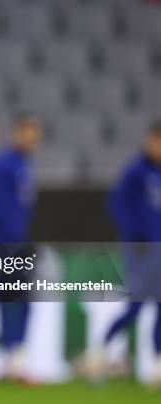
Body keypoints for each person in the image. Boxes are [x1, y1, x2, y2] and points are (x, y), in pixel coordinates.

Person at [89, 120, 161, 385]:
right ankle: (100, 350)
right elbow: (116, 206)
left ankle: (157, 364)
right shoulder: (136, 172)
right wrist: (136, 234)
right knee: (136, 305)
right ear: (149, 140)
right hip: (140, 250)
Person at [0, 115, 42, 380]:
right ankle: (14, 358)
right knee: (15, 301)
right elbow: (1, 209)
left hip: (16, 242)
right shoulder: (6, 165)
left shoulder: (23, 165)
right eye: (29, 135)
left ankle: (12, 358)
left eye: (36, 137)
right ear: (17, 134)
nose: (33, 142)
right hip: (7, 245)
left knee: (13, 301)